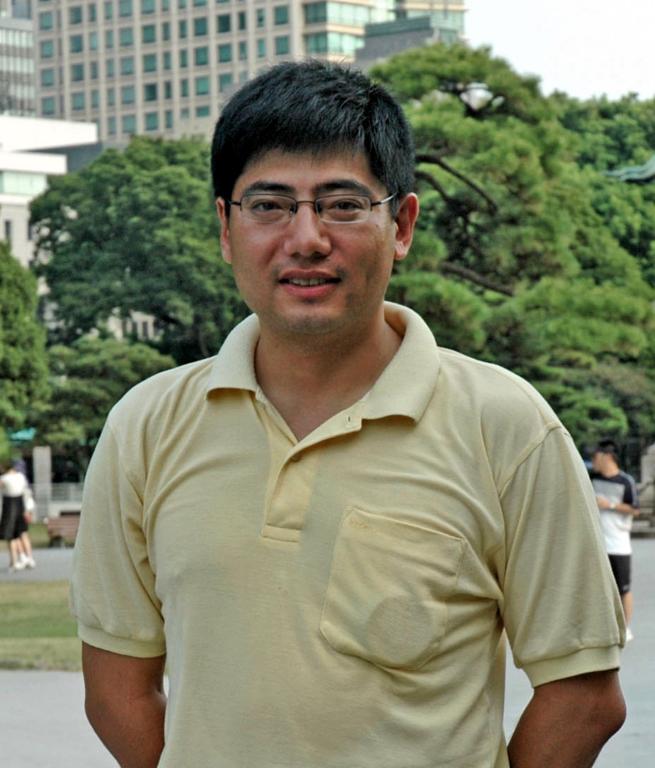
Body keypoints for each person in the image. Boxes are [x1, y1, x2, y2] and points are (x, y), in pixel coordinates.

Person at [71, 61, 626, 768]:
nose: (305, 238)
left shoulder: (506, 426)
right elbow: (115, 687)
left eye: (341, 204)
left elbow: (583, 697)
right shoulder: (146, 427)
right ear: (225, 228)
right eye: (268, 205)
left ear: (401, 224)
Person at [590, 439, 640, 641]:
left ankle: (625, 628)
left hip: (619, 543)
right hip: (597, 544)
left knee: (623, 588)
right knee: (597, 588)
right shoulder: (592, 479)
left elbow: (634, 509)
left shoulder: (625, 481)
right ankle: (601, 628)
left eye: (595, 456)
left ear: (607, 456)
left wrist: (610, 505)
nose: (593, 461)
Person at [0, 461, 36, 571]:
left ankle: (15, 561)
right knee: (23, 534)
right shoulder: (21, 476)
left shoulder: (4, 478)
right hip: (21, 506)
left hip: (9, 507)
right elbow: (26, 492)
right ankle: (29, 558)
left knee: (11, 536)